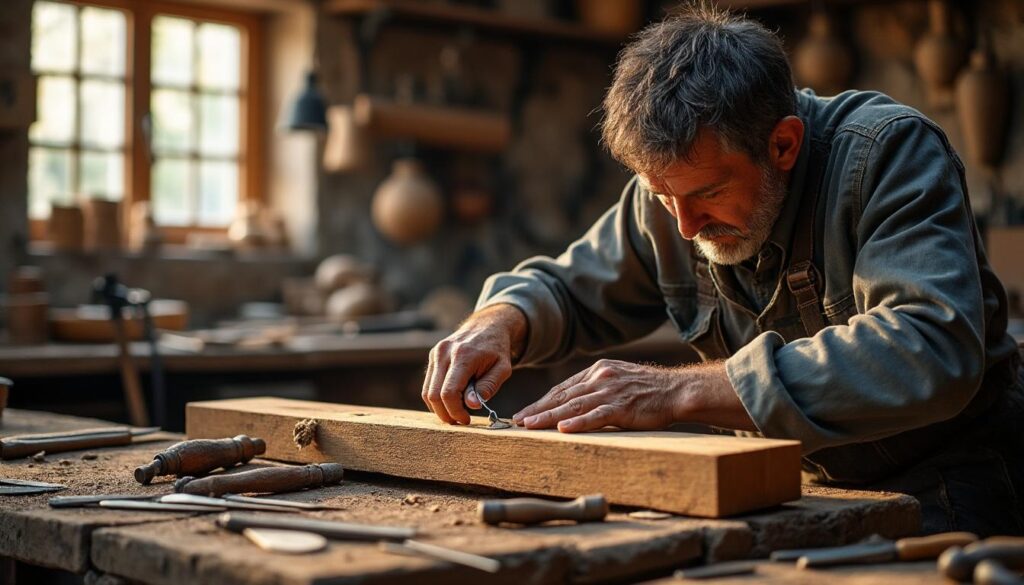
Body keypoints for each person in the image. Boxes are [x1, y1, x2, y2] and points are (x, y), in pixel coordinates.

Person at [421, 3, 1024, 536]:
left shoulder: (886, 155)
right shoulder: (669, 198)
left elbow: (929, 346)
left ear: (783, 145)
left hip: (944, 485)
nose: (684, 226)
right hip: (784, 486)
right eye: (662, 196)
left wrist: (679, 389)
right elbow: (566, 288)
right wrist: (500, 321)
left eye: (707, 193)